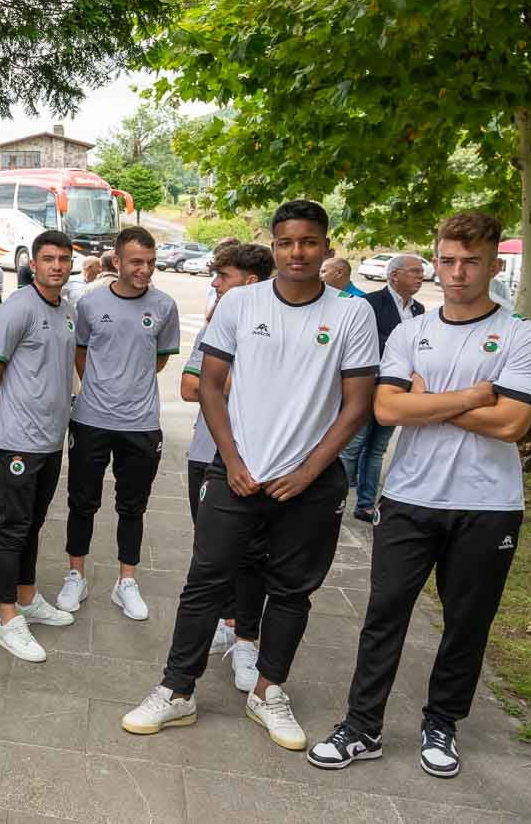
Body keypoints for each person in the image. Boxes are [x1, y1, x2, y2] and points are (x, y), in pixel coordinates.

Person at [122, 199, 378, 752]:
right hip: (236, 474)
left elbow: (357, 405)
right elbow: (210, 385)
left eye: (309, 242)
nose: (297, 253)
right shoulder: (240, 303)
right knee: (206, 582)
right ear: (275, 245)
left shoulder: (352, 314)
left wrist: (309, 471)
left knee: (291, 590)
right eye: (286, 242)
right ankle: (177, 690)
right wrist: (234, 461)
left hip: (309, 484)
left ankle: (268, 691)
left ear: (326, 247)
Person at [308, 212, 531, 779]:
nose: (458, 272)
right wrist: (473, 396)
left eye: (471, 261)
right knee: (384, 615)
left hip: (487, 505)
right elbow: (388, 409)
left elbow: (514, 423)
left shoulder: (522, 334)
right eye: (448, 260)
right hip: (411, 497)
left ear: (493, 265)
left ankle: (442, 722)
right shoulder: (411, 330)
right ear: (435, 261)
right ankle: (362, 726)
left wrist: (430, 399)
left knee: (468, 621)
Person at [56, 227, 180, 621]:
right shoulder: (90, 304)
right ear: (118, 261)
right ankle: (75, 574)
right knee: (82, 502)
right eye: (136, 262)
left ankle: (126, 581)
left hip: (141, 424)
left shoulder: (165, 306)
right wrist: (101, 386)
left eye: (150, 262)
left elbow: (159, 359)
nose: (144, 270)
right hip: (91, 419)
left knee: (133, 506)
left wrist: (130, 383)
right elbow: (81, 352)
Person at [0, 230, 78, 662]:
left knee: (34, 524)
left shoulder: (67, 310)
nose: (57, 265)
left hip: (51, 438)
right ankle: (7, 620)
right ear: (33, 264)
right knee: (13, 527)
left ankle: (27, 597)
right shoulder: (18, 307)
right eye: (49, 258)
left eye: (64, 259)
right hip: (19, 438)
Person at [181, 243, 275, 693]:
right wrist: (245, 380)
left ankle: (244, 636)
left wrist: (222, 384)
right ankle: (222, 623)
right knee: (210, 553)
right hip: (207, 454)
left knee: (254, 555)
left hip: (261, 460)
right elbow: (189, 387)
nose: (215, 283)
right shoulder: (217, 324)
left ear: (250, 281)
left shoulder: (279, 328)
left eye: (224, 275)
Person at [340, 254, 425, 522]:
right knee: (353, 447)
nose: (420, 277)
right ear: (395, 275)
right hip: (367, 387)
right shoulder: (370, 303)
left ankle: (365, 504)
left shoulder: (419, 310)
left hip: (396, 391)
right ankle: (334, 500)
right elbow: (363, 344)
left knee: (377, 449)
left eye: (421, 273)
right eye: (414, 272)